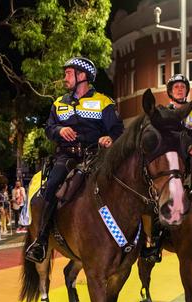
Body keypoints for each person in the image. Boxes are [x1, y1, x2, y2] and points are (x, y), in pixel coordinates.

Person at [25, 56, 124, 263]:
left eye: (68, 73)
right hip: (67, 157)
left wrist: (110, 138)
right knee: (50, 188)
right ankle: (41, 240)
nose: (65, 78)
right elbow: (49, 129)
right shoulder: (59, 103)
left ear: (82, 76)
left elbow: (117, 130)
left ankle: (134, 240)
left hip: (96, 157)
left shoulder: (103, 102)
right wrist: (60, 130)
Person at [141, 74, 192, 262]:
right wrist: (186, 146)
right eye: (176, 87)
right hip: (172, 162)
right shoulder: (164, 113)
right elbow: (172, 137)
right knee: (161, 198)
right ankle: (155, 243)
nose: (180, 89)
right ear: (170, 92)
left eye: (183, 87)